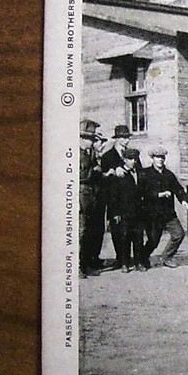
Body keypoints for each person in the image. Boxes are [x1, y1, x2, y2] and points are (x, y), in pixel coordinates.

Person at [139, 146, 188, 268]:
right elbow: (141, 192)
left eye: (162, 157)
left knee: (179, 234)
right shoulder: (145, 174)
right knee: (153, 241)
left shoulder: (169, 174)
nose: (160, 160)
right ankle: (142, 259)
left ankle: (167, 257)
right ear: (152, 158)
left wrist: (184, 200)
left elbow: (178, 189)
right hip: (152, 214)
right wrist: (158, 194)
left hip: (168, 214)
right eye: (157, 157)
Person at [105, 147, 146, 272]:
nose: (133, 161)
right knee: (124, 237)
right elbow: (113, 196)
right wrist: (115, 213)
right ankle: (124, 263)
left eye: (135, 159)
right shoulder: (119, 175)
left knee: (138, 237)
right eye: (130, 159)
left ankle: (139, 262)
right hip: (124, 212)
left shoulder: (139, 173)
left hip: (138, 211)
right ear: (124, 160)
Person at [78, 118, 106, 278]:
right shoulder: (75, 154)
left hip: (91, 196)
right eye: (89, 139)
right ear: (81, 139)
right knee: (81, 232)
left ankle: (86, 263)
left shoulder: (90, 153)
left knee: (88, 231)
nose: (91, 142)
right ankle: (77, 267)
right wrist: (93, 172)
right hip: (81, 195)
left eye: (92, 139)